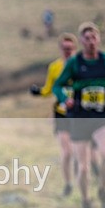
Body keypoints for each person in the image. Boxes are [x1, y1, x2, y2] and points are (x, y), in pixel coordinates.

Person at [53, 22, 105, 208]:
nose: (91, 41)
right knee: (83, 166)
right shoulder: (74, 63)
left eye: (94, 37)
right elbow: (57, 86)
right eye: (87, 38)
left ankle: (102, 189)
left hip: (102, 118)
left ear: (99, 39)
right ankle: (86, 202)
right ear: (82, 41)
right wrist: (64, 98)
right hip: (79, 119)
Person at [31, 32, 78, 196]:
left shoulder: (82, 65)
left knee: (79, 150)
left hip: (79, 114)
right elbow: (49, 90)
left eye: (70, 48)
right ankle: (68, 184)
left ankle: (82, 173)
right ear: (60, 48)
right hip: (61, 114)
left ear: (75, 48)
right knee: (67, 152)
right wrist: (38, 92)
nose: (67, 51)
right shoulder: (54, 67)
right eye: (65, 48)